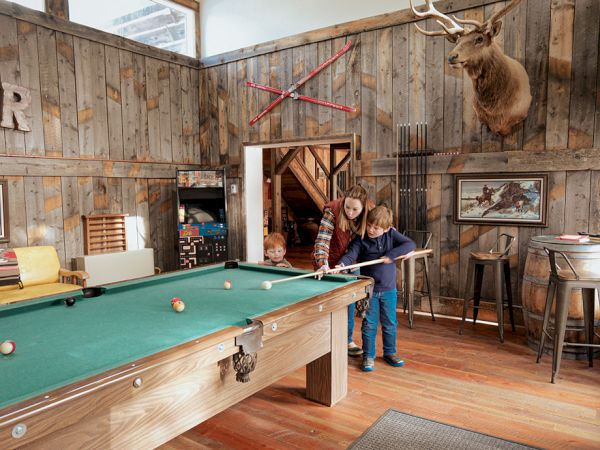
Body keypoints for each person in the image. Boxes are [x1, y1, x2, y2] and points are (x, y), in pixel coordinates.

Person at [335, 206, 415, 372]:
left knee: (390, 323)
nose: (370, 230)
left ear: (386, 229)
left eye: (376, 228)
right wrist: (342, 264)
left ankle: (390, 353)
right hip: (369, 291)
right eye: (369, 225)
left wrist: (391, 255)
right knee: (369, 324)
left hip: (388, 290)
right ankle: (368, 356)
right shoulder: (361, 238)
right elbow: (351, 255)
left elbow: (410, 244)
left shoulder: (391, 235)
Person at [312, 185, 372, 357]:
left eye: (355, 209)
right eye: (347, 207)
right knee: (327, 302)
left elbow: (384, 230)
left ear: (364, 207)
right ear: (343, 202)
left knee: (349, 302)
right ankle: (324, 341)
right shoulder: (333, 210)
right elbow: (322, 241)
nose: (350, 212)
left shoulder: (371, 210)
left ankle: (346, 340)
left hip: (353, 263)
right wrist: (323, 263)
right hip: (329, 264)